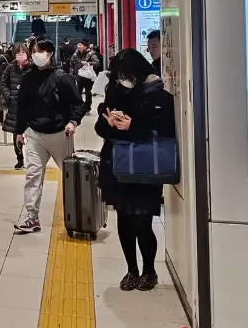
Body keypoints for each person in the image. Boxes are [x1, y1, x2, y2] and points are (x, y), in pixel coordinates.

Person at [95, 48, 176, 291]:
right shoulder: (115, 92)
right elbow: (101, 129)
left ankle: (149, 270)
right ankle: (131, 269)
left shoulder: (158, 95)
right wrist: (109, 124)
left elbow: (165, 133)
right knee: (124, 220)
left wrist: (134, 125)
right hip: (118, 166)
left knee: (142, 222)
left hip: (144, 169)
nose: (122, 79)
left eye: (126, 74)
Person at [14, 39, 87, 233]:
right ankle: (31, 217)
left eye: (41, 51)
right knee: (33, 176)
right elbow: (22, 107)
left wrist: (73, 121)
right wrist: (19, 131)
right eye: (34, 51)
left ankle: (77, 215)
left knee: (70, 177)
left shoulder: (62, 77)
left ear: (50, 53)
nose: (37, 54)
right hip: (35, 134)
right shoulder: (29, 78)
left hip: (60, 134)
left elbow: (79, 103)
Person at [0, 43, 31, 169]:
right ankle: (20, 158)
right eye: (18, 53)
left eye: (22, 52)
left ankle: (31, 158)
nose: (20, 55)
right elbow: (3, 84)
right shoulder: (10, 68)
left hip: (29, 107)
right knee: (16, 133)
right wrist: (9, 96)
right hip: (14, 106)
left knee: (31, 134)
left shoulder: (32, 68)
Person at [71, 40, 100, 107]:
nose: (78, 46)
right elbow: (71, 64)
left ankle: (87, 107)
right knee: (78, 93)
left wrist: (88, 63)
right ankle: (79, 106)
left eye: (80, 45)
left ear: (85, 47)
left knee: (88, 93)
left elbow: (97, 63)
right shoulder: (75, 54)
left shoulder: (90, 54)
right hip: (78, 76)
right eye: (78, 45)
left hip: (88, 77)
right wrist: (72, 74)